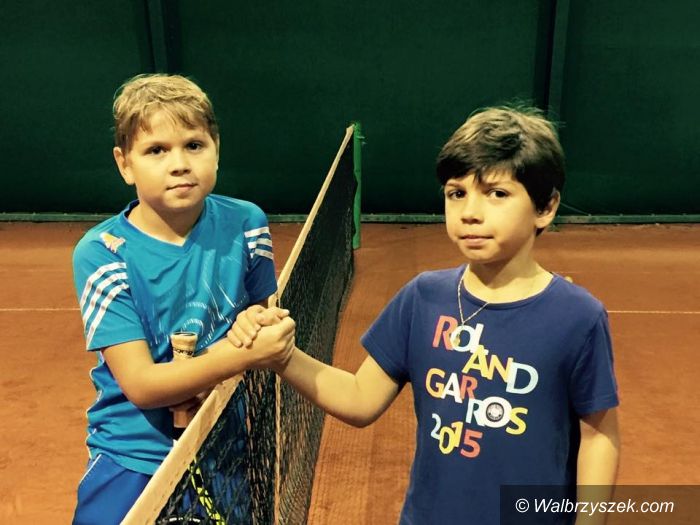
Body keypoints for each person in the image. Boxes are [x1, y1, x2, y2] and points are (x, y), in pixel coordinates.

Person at [230, 105, 620, 524]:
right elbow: (360, 398)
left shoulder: (577, 317)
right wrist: (284, 357)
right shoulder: (422, 299)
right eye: (457, 193)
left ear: (546, 207)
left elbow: (599, 435)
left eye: (497, 194)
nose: (470, 212)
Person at [71, 73, 295, 525]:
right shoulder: (101, 253)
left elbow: (262, 316)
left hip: (221, 448)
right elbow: (142, 385)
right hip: (133, 459)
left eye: (194, 145)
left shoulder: (246, 224)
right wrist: (239, 354)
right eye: (156, 150)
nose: (179, 164)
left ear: (216, 147)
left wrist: (258, 324)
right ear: (124, 164)